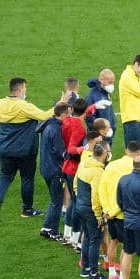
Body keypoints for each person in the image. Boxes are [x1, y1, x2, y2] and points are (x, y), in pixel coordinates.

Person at [0, 77, 52, 222]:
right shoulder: (25, 106)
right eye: (24, 88)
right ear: (20, 89)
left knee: (4, 177)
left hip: (5, 149)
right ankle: (27, 209)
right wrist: (61, 103)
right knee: (27, 178)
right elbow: (44, 116)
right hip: (25, 151)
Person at [100, 141, 140, 279]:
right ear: (139, 153)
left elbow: (102, 187)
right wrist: (115, 211)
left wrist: (107, 210)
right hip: (125, 213)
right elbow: (126, 195)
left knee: (114, 240)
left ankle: (112, 274)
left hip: (109, 212)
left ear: (126, 150)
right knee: (127, 247)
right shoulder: (134, 168)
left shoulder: (111, 165)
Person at [73, 141, 111, 279]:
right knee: (95, 240)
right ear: (103, 154)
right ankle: (94, 273)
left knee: (88, 238)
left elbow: (75, 183)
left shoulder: (84, 163)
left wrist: (79, 197)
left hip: (80, 206)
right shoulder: (99, 172)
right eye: (108, 152)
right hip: (90, 210)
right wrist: (98, 214)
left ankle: (86, 269)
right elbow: (96, 195)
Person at [36, 103, 68, 239]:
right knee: (57, 201)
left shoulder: (48, 125)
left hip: (46, 167)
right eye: (69, 114)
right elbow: (61, 152)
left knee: (54, 200)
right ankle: (53, 232)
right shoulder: (56, 129)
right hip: (55, 170)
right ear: (63, 114)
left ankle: (46, 227)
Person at [60, 99, 89, 247]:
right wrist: (85, 148)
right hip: (73, 168)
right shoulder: (78, 126)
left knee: (72, 201)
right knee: (78, 204)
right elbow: (72, 148)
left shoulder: (68, 120)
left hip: (65, 166)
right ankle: (75, 238)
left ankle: (67, 233)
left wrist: (92, 107)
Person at [119, 54, 140, 155]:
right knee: (134, 153)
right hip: (132, 120)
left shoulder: (138, 77)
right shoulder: (127, 77)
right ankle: (131, 171)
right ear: (136, 64)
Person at [84, 69, 116, 135]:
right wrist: (100, 132)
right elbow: (88, 117)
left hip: (107, 133)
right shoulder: (91, 95)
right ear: (101, 80)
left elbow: (109, 113)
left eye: (113, 82)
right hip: (98, 136)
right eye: (110, 82)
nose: (112, 85)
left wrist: (112, 127)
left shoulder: (105, 93)